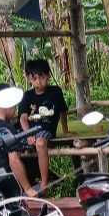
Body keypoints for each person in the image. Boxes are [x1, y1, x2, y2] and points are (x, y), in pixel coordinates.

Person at [18, 58, 70, 197]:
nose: (39, 82)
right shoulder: (27, 95)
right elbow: (23, 118)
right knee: (13, 150)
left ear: (48, 75)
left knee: (41, 143)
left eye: (42, 77)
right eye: (35, 78)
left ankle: (44, 184)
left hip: (46, 129)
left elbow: (62, 111)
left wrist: (65, 130)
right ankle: (24, 187)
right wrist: (28, 134)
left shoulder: (55, 91)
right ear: (29, 79)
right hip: (28, 130)